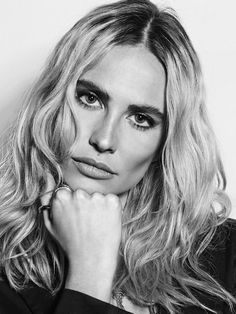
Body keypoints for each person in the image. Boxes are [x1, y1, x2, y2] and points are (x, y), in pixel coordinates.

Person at [0, 0, 235, 313]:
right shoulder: (6, 265)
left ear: (165, 143)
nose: (104, 139)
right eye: (90, 98)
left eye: (140, 118)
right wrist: (90, 269)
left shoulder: (225, 256)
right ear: (51, 104)